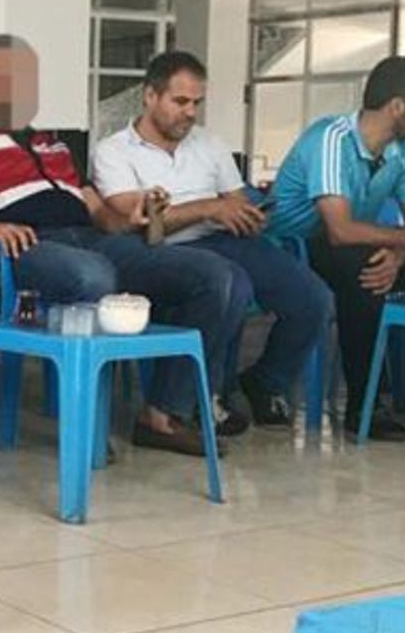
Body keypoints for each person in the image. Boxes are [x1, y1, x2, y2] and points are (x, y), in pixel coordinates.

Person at [0, 34, 249, 456]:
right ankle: (86, 429)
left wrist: (134, 216)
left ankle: (161, 415)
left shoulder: (54, 146)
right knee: (93, 275)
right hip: (22, 248)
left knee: (216, 276)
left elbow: (100, 213)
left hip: (93, 241)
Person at [93, 51, 333, 431]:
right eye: (180, 101)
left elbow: (234, 201)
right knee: (231, 283)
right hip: (164, 251)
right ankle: (197, 399)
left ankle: (266, 381)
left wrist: (246, 216)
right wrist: (208, 208)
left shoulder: (210, 143)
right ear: (150, 96)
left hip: (224, 240)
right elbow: (136, 220)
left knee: (313, 298)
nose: (190, 112)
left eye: (197, 103)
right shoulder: (113, 151)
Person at [267, 55, 405, 441]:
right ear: (397, 106)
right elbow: (340, 230)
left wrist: (398, 258)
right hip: (294, 247)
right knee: (365, 268)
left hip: (351, 244)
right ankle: (366, 403)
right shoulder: (331, 139)